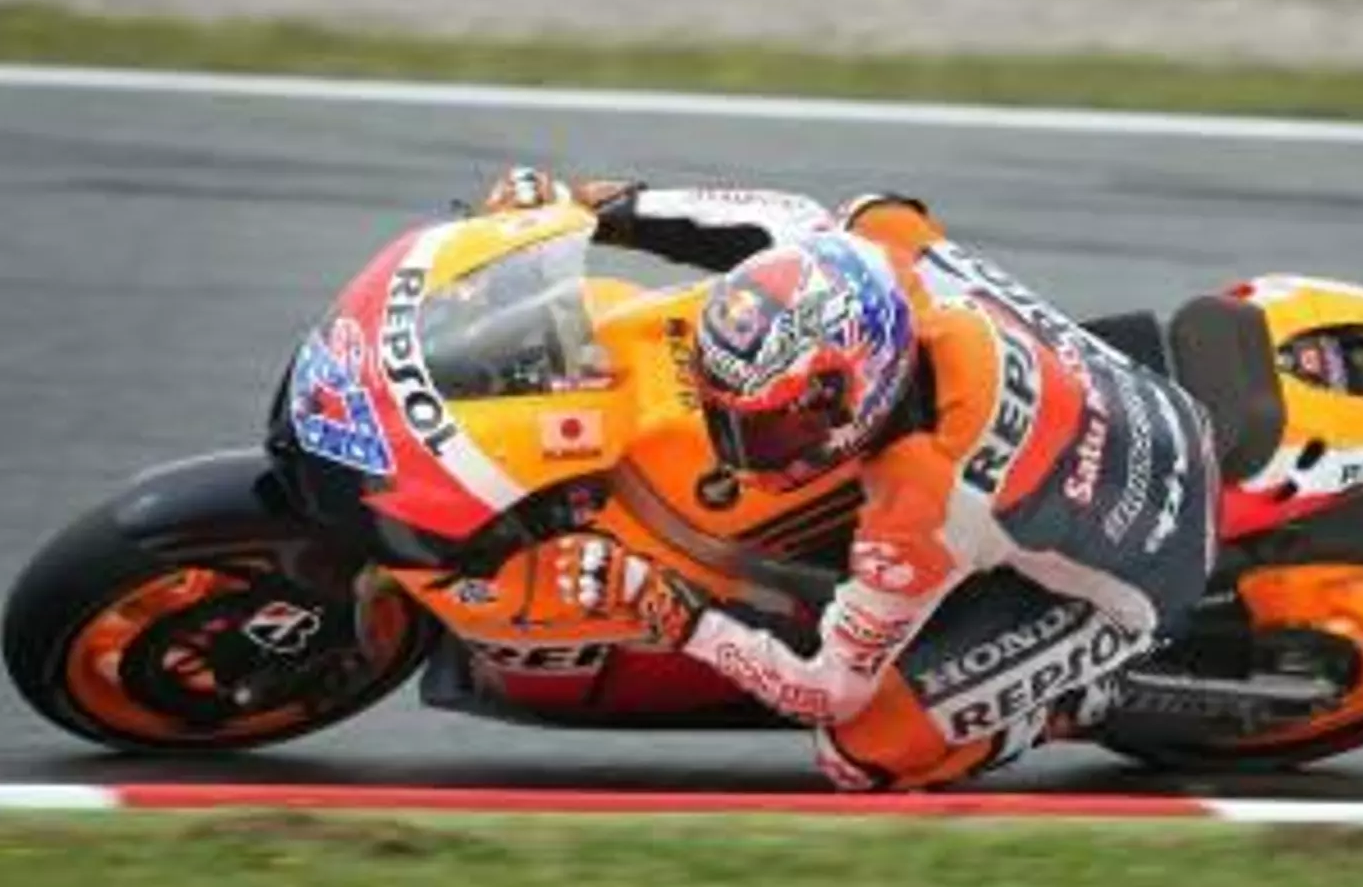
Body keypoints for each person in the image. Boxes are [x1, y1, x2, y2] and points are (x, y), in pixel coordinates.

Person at [484, 167, 1219, 790]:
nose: (743, 448)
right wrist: (600, 209)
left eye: (772, 427)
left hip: (1151, 567)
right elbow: (777, 218)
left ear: (856, 390)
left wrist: (675, 616)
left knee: (860, 751)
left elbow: (825, 690)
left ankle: (1076, 699)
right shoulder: (876, 252)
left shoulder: (919, 504)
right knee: (880, 212)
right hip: (1137, 404)